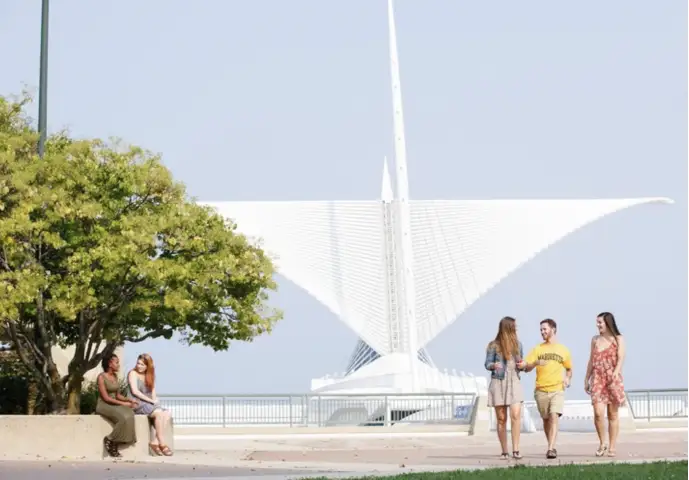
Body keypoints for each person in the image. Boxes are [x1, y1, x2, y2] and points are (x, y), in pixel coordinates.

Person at [523, 318, 572, 459]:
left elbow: (569, 369)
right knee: (546, 420)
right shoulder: (537, 349)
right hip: (541, 390)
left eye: (544, 329)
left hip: (557, 388)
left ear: (553, 329)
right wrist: (534, 363)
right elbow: (526, 367)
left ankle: (551, 448)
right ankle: (551, 444)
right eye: (541, 330)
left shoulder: (563, 350)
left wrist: (568, 378)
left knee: (554, 416)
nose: (542, 332)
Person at [484, 316, 526, 460]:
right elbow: (487, 363)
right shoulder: (493, 345)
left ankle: (516, 450)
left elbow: (521, 363)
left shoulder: (518, 345)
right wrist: (493, 365)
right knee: (501, 418)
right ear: (507, 327)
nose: (516, 328)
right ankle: (504, 451)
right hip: (499, 381)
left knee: (515, 415)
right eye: (513, 326)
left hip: (514, 380)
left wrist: (522, 365)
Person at [584, 312, 626, 458]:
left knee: (612, 414)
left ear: (607, 323)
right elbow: (591, 360)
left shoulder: (618, 338)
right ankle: (603, 443)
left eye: (600, 322)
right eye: (597, 322)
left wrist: (615, 372)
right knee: (598, 413)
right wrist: (586, 378)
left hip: (612, 378)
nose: (598, 325)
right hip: (597, 379)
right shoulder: (595, 340)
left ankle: (612, 446)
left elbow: (621, 358)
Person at [127, 353, 174, 456]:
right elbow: (135, 392)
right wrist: (152, 402)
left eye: (142, 365)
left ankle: (155, 442)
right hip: (136, 402)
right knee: (158, 413)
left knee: (167, 413)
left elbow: (153, 393)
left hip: (148, 403)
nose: (139, 366)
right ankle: (162, 443)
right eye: (138, 363)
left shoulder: (150, 376)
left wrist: (155, 401)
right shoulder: (132, 373)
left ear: (148, 366)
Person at [96, 353, 137, 458]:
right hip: (104, 404)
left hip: (114, 403)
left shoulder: (115, 376)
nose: (119, 365)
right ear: (110, 364)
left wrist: (130, 400)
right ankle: (109, 439)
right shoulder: (101, 377)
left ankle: (118, 441)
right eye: (117, 362)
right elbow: (106, 398)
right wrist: (124, 404)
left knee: (130, 414)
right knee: (122, 418)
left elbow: (118, 395)